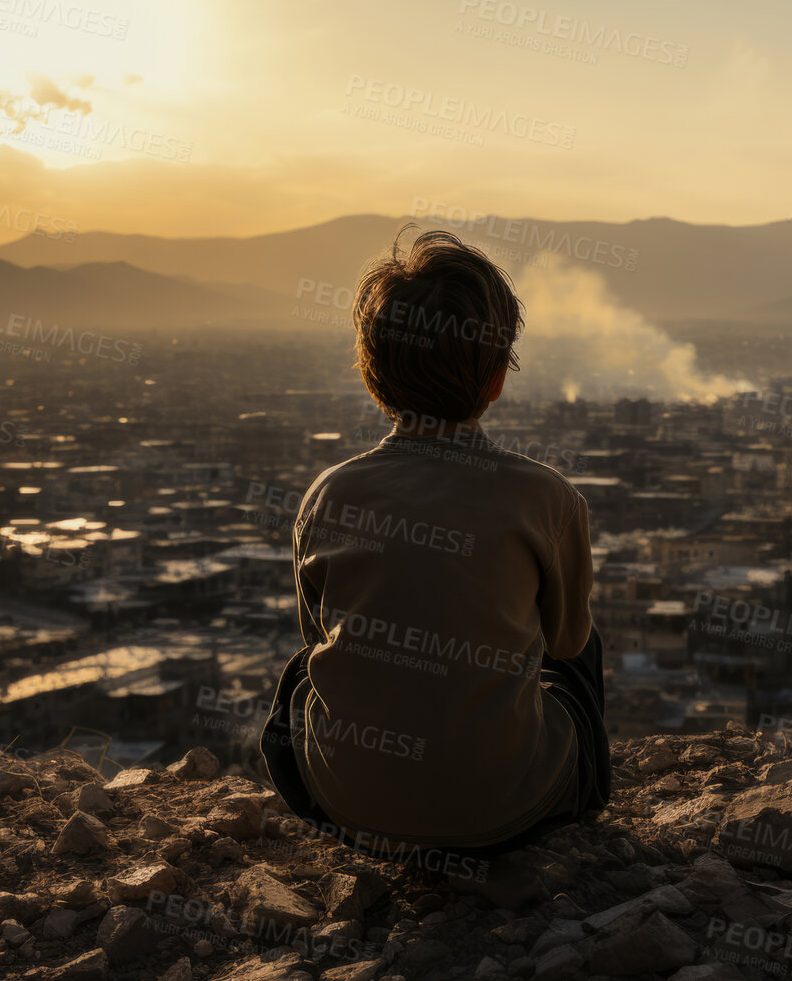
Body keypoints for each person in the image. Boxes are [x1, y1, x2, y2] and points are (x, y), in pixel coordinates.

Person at [260, 229, 610, 863]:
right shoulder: (545, 499)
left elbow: (319, 637)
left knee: (299, 674)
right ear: (497, 377)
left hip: (350, 807)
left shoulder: (328, 496)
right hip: (510, 813)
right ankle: (569, 794)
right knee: (583, 646)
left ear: (374, 375)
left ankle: (363, 797)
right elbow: (563, 646)